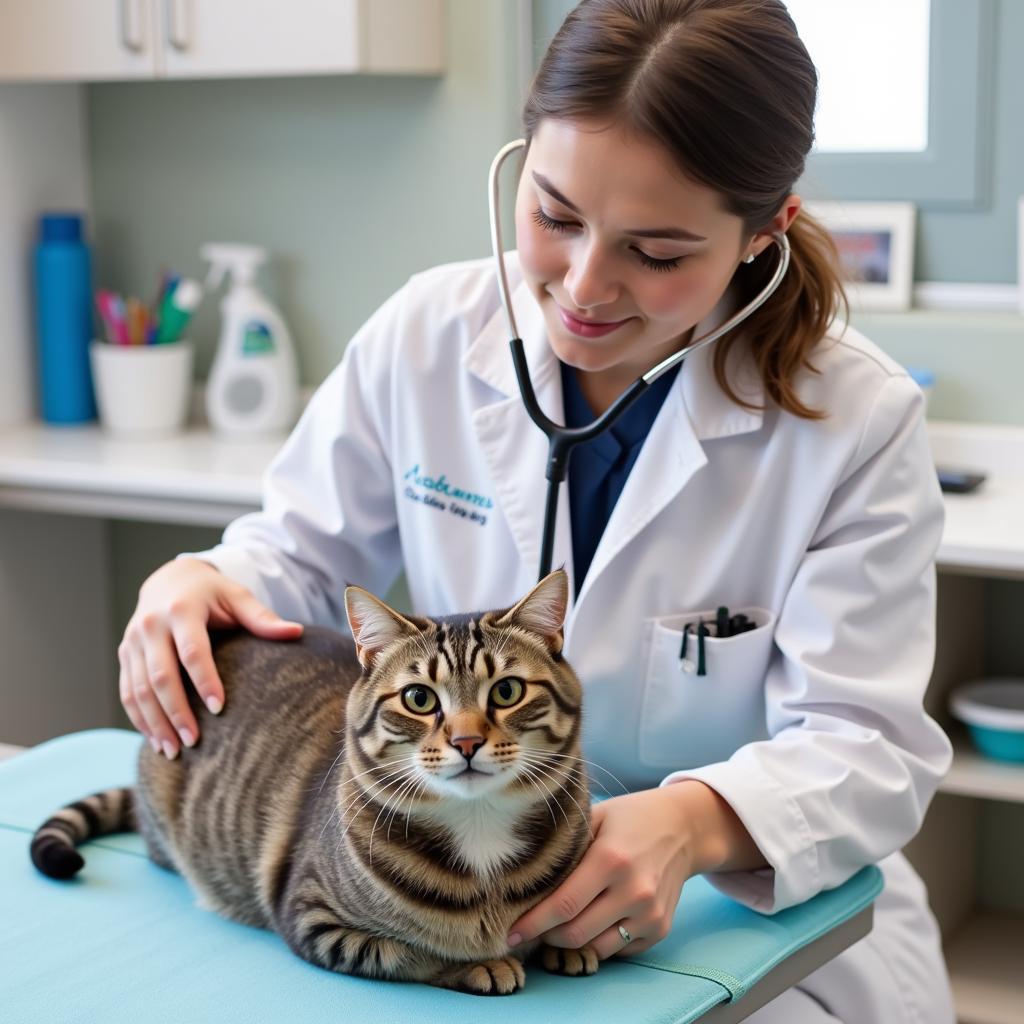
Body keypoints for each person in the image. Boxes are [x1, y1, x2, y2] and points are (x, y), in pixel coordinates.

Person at [117, 1, 955, 1019]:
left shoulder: (851, 418)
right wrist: (205, 581)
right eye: (554, 215)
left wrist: (696, 821)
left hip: (737, 913)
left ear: (762, 229)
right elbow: (290, 557)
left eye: (656, 252)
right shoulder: (427, 334)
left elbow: (865, 745)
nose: (584, 288)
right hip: (453, 887)